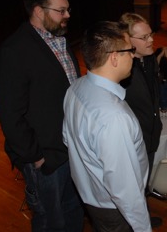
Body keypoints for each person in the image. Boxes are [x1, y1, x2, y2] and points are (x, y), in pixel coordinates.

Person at [0, 0, 84, 231]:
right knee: (50, 220)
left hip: (70, 148)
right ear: (38, 11)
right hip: (46, 158)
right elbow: (11, 115)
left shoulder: (60, 41)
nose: (67, 15)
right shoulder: (14, 51)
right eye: (61, 10)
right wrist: (36, 156)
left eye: (68, 9)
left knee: (73, 210)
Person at [63, 21, 151, 232]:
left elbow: (68, 138)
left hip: (91, 197)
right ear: (114, 58)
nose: (133, 55)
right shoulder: (114, 117)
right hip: (116, 210)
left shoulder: (75, 88)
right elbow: (125, 190)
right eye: (130, 50)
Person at [118, 12, 163, 228]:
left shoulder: (151, 59)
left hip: (151, 136)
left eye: (150, 34)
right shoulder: (121, 69)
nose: (151, 40)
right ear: (127, 39)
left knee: (143, 185)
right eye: (144, 37)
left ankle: (142, 218)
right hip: (133, 142)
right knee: (130, 190)